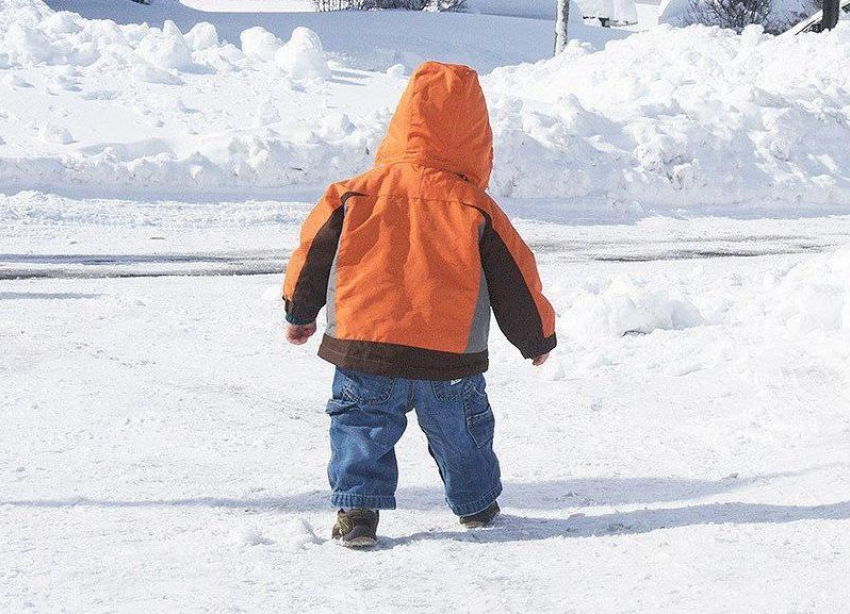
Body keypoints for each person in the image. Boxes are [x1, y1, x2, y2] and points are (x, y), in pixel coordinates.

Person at [282, 61, 556, 548]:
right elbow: (516, 277)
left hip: (365, 346)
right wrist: (535, 338)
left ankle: (357, 512)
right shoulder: (475, 207)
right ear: (476, 137)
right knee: (462, 434)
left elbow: (311, 256)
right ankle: (475, 503)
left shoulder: (353, 193)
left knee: (361, 428)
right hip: (448, 355)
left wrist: (300, 313)